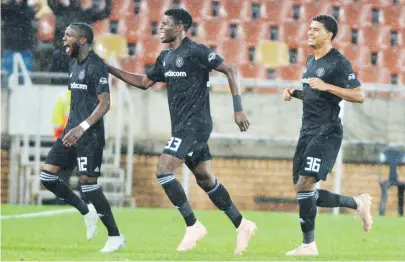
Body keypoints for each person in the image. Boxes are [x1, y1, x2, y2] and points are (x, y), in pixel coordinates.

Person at [107, 8, 257, 255]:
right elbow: (144, 82)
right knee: (205, 179)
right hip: (182, 126)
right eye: (160, 23)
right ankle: (242, 224)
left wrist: (238, 109)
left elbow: (229, 69)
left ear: (180, 28)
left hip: (196, 125)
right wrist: (111, 69)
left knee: (163, 170)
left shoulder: (196, 51)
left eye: (165, 24)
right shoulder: (165, 57)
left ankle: (193, 225)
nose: (160, 28)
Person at [282, 15, 372, 256]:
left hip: (327, 131)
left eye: (315, 29)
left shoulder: (338, 63)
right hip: (307, 131)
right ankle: (357, 203)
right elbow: (315, 93)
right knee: (304, 191)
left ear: (329, 34)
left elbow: (360, 94)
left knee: (305, 184)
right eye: (309, 28)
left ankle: (309, 245)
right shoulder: (311, 61)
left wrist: (328, 86)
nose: (309, 32)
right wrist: (295, 93)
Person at [39, 22, 125, 253]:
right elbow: (78, 102)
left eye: (69, 35)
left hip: (90, 136)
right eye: (64, 34)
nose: (64, 38)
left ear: (83, 40)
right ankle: (86, 211)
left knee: (88, 185)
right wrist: (72, 128)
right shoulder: (73, 64)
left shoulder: (96, 65)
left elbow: (105, 104)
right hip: (71, 132)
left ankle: (116, 235)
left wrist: (82, 128)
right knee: (47, 176)